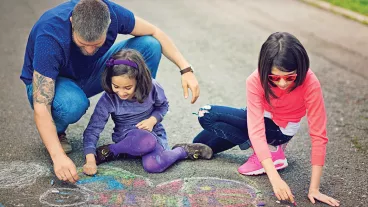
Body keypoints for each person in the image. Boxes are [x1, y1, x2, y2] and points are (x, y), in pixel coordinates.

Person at [20, 0, 199, 183]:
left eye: (97, 44)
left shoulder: (111, 13)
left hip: (88, 71)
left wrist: (185, 69)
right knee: (73, 104)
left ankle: (136, 121)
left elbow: (155, 32)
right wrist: (58, 157)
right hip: (57, 84)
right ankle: (57, 132)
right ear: (72, 21)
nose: (89, 50)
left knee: (150, 45)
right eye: (82, 43)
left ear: (109, 24)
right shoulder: (50, 35)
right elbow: (41, 106)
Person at [190, 32, 340, 206]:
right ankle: (269, 150)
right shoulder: (255, 80)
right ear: (265, 69)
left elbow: (318, 136)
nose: (282, 83)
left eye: (290, 77)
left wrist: (314, 189)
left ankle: (272, 151)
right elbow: (255, 129)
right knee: (201, 142)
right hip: (261, 121)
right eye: (275, 78)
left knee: (207, 114)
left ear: (300, 68)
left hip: (280, 130)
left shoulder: (310, 82)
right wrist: (274, 178)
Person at [82, 49, 212, 175]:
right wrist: (90, 159)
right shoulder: (109, 98)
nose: (121, 93)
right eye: (116, 86)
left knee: (153, 165)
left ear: (139, 80)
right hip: (127, 138)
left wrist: (152, 120)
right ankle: (112, 151)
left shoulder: (153, 87)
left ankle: (182, 151)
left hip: (152, 134)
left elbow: (163, 106)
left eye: (127, 87)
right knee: (143, 141)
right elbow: (93, 129)